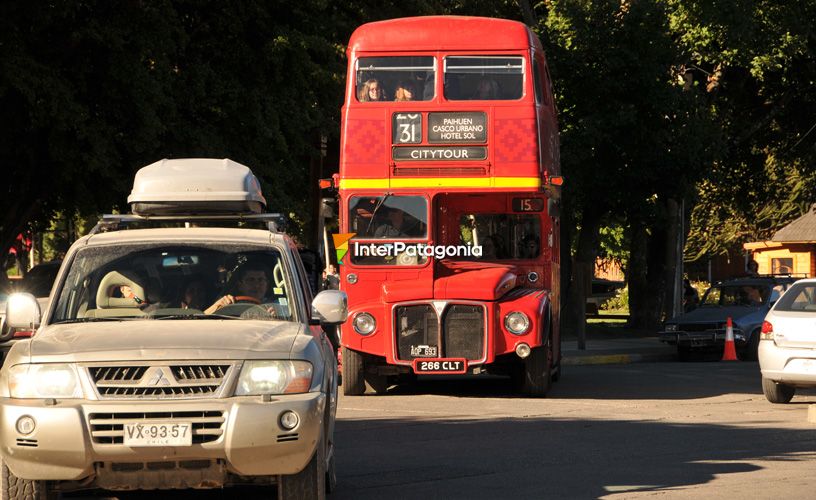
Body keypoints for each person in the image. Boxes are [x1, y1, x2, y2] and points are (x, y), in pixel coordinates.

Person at [206, 263, 271, 314]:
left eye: (261, 280)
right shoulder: (228, 305)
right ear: (240, 285)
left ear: (267, 284)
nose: (256, 285)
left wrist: (274, 317)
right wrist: (217, 306)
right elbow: (199, 320)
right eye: (251, 280)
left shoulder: (276, 305)